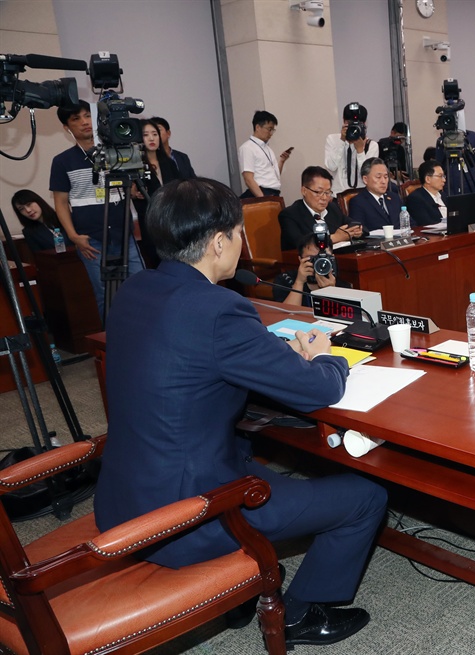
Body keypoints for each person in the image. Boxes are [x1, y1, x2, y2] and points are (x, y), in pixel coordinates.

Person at [93, 177, 385, 648]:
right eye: (238, 232)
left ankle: (237, 594)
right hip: (189, 515)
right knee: (365, 495)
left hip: (122, 498)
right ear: (217, 242)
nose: (240, 242)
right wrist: (322, 353)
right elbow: (316, 391)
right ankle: (303, 612)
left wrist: (263, 354)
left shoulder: (136, 288)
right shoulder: (219, 310)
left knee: (253, 444)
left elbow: (184, 356)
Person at [50, 99, 145, 321]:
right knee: (106, 295)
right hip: (91, 240)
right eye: (76, 119)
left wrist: (134, 190)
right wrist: (73, 237)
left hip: (123, 235)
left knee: (141, 287)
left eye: (87, 116)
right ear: (67, 127)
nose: (84, 122)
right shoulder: (63, 161)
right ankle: (111, 345)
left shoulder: (116, 152)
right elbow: (61, 203)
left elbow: (129, 186)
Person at [132, 119, 181, 268]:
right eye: (146, 135)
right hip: (151, 224)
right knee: (158, 264)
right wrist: (132, 193)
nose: (152, 138)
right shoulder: (135, 166)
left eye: (155, 134)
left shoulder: (169, 163)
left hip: (173, 222)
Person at [278, 166, 361, 251]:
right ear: (304, 191)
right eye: (319, 192)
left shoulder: (332, 208)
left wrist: (357, 231)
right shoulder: (290, 214)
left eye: (327, 192)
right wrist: (335, 238)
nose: (324, 198)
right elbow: (300, 243)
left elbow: (354, 224)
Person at [325, 103, 380, 197]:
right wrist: (341, 141)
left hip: (362, 197)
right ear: (343, 121)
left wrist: (360, 151)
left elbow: (368, 176)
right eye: (350, 123)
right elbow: (331, 166)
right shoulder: (333, 140)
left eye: (358, 124)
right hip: (337, 196)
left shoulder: (371, 145)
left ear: (365, 124)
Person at [273, 232, 339, 306]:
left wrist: (331, 291)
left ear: (332, 258)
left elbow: (341, 315)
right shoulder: (285, 280)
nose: (318, 262)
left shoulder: (340, 281)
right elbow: (288, 315)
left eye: (323, 257)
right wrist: (299, 282)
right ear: (300, 259)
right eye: (312, 258)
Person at [238, 110, 289, 198]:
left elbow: (274, 176)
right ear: (258, 127)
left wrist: (281, 162)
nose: (271, 134)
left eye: (273, 130)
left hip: (273, 193)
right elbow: (248, 179)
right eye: (269, 129)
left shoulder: (268, 149)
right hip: (261, 193)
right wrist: (263, 199)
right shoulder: (247, 148)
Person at [348, 158, 401, 232]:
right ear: (365, 179)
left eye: (386, 177)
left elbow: (410, 223)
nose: (383, 181)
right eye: (378, 177)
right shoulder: (358, 202)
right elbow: (359, 232)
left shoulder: (394, 197)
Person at [435, 125, 475, 197]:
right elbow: (439, 165)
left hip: (469, 182)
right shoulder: (442, 141)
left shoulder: (472, 137)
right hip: (450, 185)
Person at [405, 160, 449, 226]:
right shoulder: (415, 199)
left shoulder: (444, 195)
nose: (444, 180)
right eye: (440, 176)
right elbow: (426, 224)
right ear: (428, 179)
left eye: (444, 176)